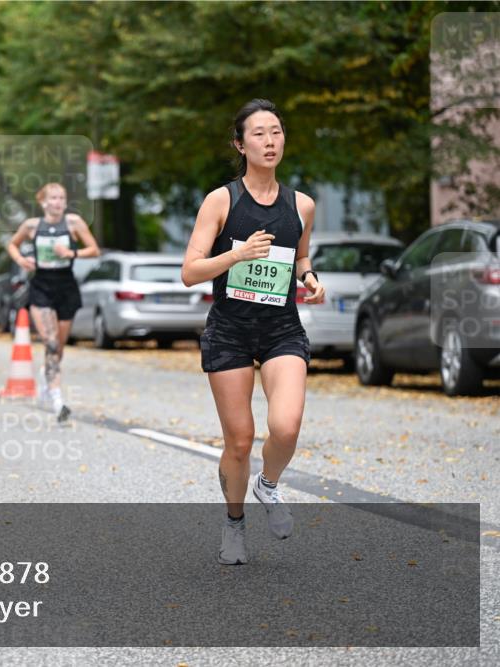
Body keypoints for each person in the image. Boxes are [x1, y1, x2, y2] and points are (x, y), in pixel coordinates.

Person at [180, 98, 326, 565]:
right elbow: (190, 271)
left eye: (277, 131)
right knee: (239, 440)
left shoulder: (301, 205)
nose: (270, 140)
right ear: (240, 144)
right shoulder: (221, 201)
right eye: (259, 133)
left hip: (282, 328)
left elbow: (300, 257)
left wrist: (309, 279)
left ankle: (269, 484)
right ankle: (234, 523)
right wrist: (235, 256)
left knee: (285, 427)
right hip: (230, 330)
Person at [6, 182, 100, 422]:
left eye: (62, 198)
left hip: (66, 287)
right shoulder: (31, 226)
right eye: (53, 198)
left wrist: (71, 254)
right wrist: (21, 260)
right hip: (41, 287)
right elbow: (12, 244)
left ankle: (47, 377)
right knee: (49, 342)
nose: (58, 202)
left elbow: (94, 249)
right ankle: (57, 399)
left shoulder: (73, 223)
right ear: (43, 202)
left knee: (58, 346)